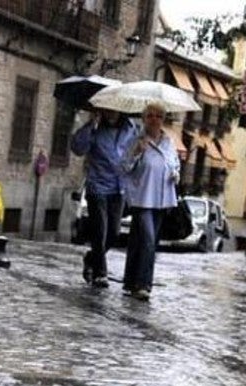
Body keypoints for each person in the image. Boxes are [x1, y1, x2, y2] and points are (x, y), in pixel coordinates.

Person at [70, 108, 138, 288]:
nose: (110, 113)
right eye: (107, 110)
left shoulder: (131, 128)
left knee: (113, 233)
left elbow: (134, 156)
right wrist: (90, 125)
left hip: (119, 187)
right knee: (99, 230)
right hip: (97, 185)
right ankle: (100, 273)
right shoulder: (95, 127)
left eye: (114, 110)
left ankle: (91, 258)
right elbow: (77, 148)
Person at [121, 102, 180, 301]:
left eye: (159, 116)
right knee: (148, 240)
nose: (155, 120)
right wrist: (136, 152)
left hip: (162, 199)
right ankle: (143, 285)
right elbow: (124, 166)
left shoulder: (168, 142)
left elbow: (175, 163)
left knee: (143, 241)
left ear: (163, 119)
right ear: (144, 118)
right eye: (150, 116)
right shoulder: (136, 139)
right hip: (142, 198)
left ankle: (130, 281)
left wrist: (176, 173)